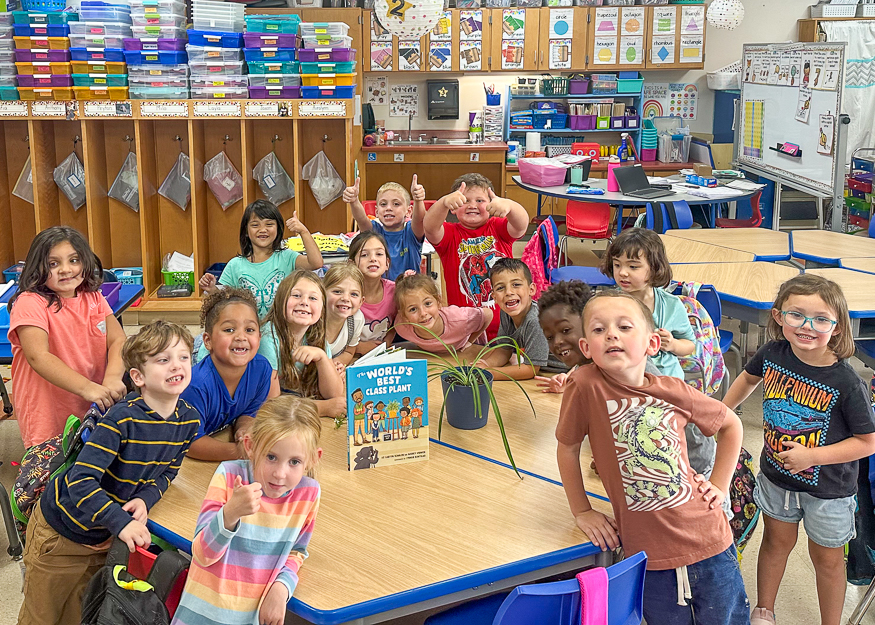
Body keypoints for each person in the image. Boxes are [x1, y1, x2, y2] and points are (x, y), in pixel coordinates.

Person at [556, 291, 748, 624]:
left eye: (625, 327)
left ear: (652, 343)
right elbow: (567, 448)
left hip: (710, 541)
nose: (612, 334)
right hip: (648, 554)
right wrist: (582, 510)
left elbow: (731, 424)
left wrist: (720, 484)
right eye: (599, 330)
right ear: (586, 348)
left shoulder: (674, 389)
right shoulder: (585, 384)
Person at [18, 320, 199, 625]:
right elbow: (80, 481)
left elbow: (169, 470)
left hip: (104, 534)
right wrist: (121, 523)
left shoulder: (189, 421)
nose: (176, 366)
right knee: (42, 616)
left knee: (82, 610)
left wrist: (145, 498)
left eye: (183, 357)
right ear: (138, 377)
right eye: (163, 360)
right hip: (62, 534)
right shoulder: (120, 420)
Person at [722, 274, 875, 625]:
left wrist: (812, 457)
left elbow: (868, 442)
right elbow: (747, 377)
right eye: (796, 315)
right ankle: (765, 609)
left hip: (830, 491)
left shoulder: (848, 382)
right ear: (778, 317)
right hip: (777, 478)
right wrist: (723, 413)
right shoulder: (773, 353)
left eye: (821, 319)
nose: (807, 326)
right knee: (776, 543)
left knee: (827, 560)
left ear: (837, 327)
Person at [171, 395, 322, 625]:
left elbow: (297, 551)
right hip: (201, 617)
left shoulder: (308, 493)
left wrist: (281, 588)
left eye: (294, 462)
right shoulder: (229, 475)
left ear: (312, 459)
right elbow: (201, 554)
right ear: (250, 446)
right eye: (271, 457)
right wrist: (230, 513)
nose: (280, 474)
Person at [599, 228, 718, 477]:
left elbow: (690, 345)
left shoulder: (672, 305)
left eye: (633, 266)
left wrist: (672, 344)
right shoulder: (609, 304)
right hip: (626, 386)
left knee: (672, 438)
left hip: (668, 386)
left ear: (653, 269)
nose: (622, 272)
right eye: (617, 264)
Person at [8, 226, 127, 449]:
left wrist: (112, 377)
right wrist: (87, 387)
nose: (66, 269)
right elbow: (38, 357)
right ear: (38, 266)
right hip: (49, 409)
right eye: (54, 264)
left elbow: (118, 340)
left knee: (90, 463)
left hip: (92, 399)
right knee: (53, 472)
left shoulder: (93, 295)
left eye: (74, 260)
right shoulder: (29, 303)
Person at [424, 173, 528, 339]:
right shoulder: (449, 234)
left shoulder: (498, 227)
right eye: (465, 201)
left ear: (492, 204)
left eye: (480, 201)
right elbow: (429, 227)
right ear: (454, 207)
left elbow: (521, 225)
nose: (472, 205)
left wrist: (509, 205)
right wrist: (443, 203)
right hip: (466, 330)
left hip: (508, 324)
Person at [182, 289, 280, 462]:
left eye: (249, 329)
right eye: (229, 329)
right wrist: (243, 452)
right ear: (208, 341)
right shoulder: (195, 385)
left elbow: (249, 412)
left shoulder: (262, 370)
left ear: (259, 337)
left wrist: (244, 430)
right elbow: (191, 444)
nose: (241, 337)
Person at [198, 199, 324, 318]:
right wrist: (211, 289)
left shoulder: (287, 257)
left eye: (269, 224)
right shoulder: (235, 265)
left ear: (278, 229)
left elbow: (316, 263)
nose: (263, 230)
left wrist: (303, 231)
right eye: (255, 225)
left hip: (282, 332)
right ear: (246, 231)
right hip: (249, 332)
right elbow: (223, 301)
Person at [261, 271, 345, 418]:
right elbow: (271, 405)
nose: (304, 302)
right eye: (296, 295)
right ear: (281, 300)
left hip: (294, 406)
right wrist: (322, 408)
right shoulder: (268, 339)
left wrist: (322, 358)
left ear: (322, 309)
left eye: (313, 298)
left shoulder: (317, 339)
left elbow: (334, 393)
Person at [474, 258, 549, 381]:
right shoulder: (506, 313)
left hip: (566, 371)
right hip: (544, 371)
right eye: (500, 288)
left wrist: (489, 374)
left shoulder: (536, 320)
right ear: (494, 297)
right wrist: (485, 365)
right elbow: (504, 350)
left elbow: (531, 369)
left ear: (531, 290)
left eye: (516, 285)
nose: (509, 292)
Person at [343, 176, 426, 281]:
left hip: (408, 292)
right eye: (383, 204)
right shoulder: (375, 232)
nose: (389, 208)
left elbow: (419, 220)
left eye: (396, 204)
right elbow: (361, 219)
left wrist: (418, 200)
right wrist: (354, 201)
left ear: (408, 211)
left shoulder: (411, 233)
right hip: (381, 293)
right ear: (376, 212)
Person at [393, 272, 492, 356]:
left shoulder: (459, 319)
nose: (423, 313)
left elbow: (488, 314)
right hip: (435, 360)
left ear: (438, 302)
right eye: (413, 309)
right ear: (404, 316)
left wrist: (470, 342)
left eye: (427, 304)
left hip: (465, 355)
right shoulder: (401, 326)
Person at [535, 280, 594, 393]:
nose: (557, 342)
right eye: (549, 337)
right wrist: (567, 380)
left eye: (566, 330)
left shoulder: (612, 371)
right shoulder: (582, 370)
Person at [348, 231, 397, 349]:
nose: (373, 259)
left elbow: (398, 322)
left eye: (379, 254)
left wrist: (386, 343)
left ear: (387, 263)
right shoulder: (345, 295)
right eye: (364, 255)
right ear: (352, 264)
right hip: (348, 355)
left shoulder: (395, 291)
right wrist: (360, 347)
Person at [322, 263, 366, 369]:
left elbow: (349, 352)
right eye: (337, 292)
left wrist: (335, 365)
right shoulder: (311, 319)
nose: (346, 298)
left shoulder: (357, 319)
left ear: (361, 302)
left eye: (354, 294)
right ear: (322, 294)